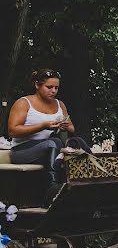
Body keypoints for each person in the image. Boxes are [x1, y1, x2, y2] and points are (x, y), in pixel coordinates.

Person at [7, 68, 76, 202]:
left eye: (56, 88)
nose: (53, 91)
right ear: (37, 85)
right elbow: (12, 131)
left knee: (76, 142)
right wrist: (43, 126)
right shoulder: (23, 103)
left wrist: (67, 126)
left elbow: (72, 128)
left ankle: (90, 180)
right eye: (49, 87)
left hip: (50, 149)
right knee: (53, 143)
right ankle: (52, 186)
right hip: (22, 151)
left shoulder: (59, 104)